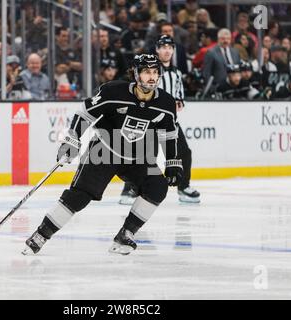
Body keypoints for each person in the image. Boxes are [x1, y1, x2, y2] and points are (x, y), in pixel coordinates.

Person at [22, 54, 184, 256]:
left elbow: (169, 133)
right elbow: (85, 113)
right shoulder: (113, 91)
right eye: (146, 72)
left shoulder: (166, 103)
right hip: (104, 151)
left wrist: (173, 162)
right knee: (79, 197)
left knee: (157, 187)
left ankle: (125, 234)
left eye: (155, 72)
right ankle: (40, 235)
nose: (151, 77)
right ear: (136, 74)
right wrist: (72, 139)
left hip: (136, 157)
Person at [120, 35, 200, 205]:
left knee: (184, 152)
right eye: (163, 47)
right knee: (144, 155)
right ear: (157, 49)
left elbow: (179, 96)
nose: (167, 50)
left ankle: (183, 186)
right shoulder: (149, 69)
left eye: (170, 47)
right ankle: (131, 188)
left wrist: (178, 102)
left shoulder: (177, 73)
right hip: (149, 121)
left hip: (169, 121)